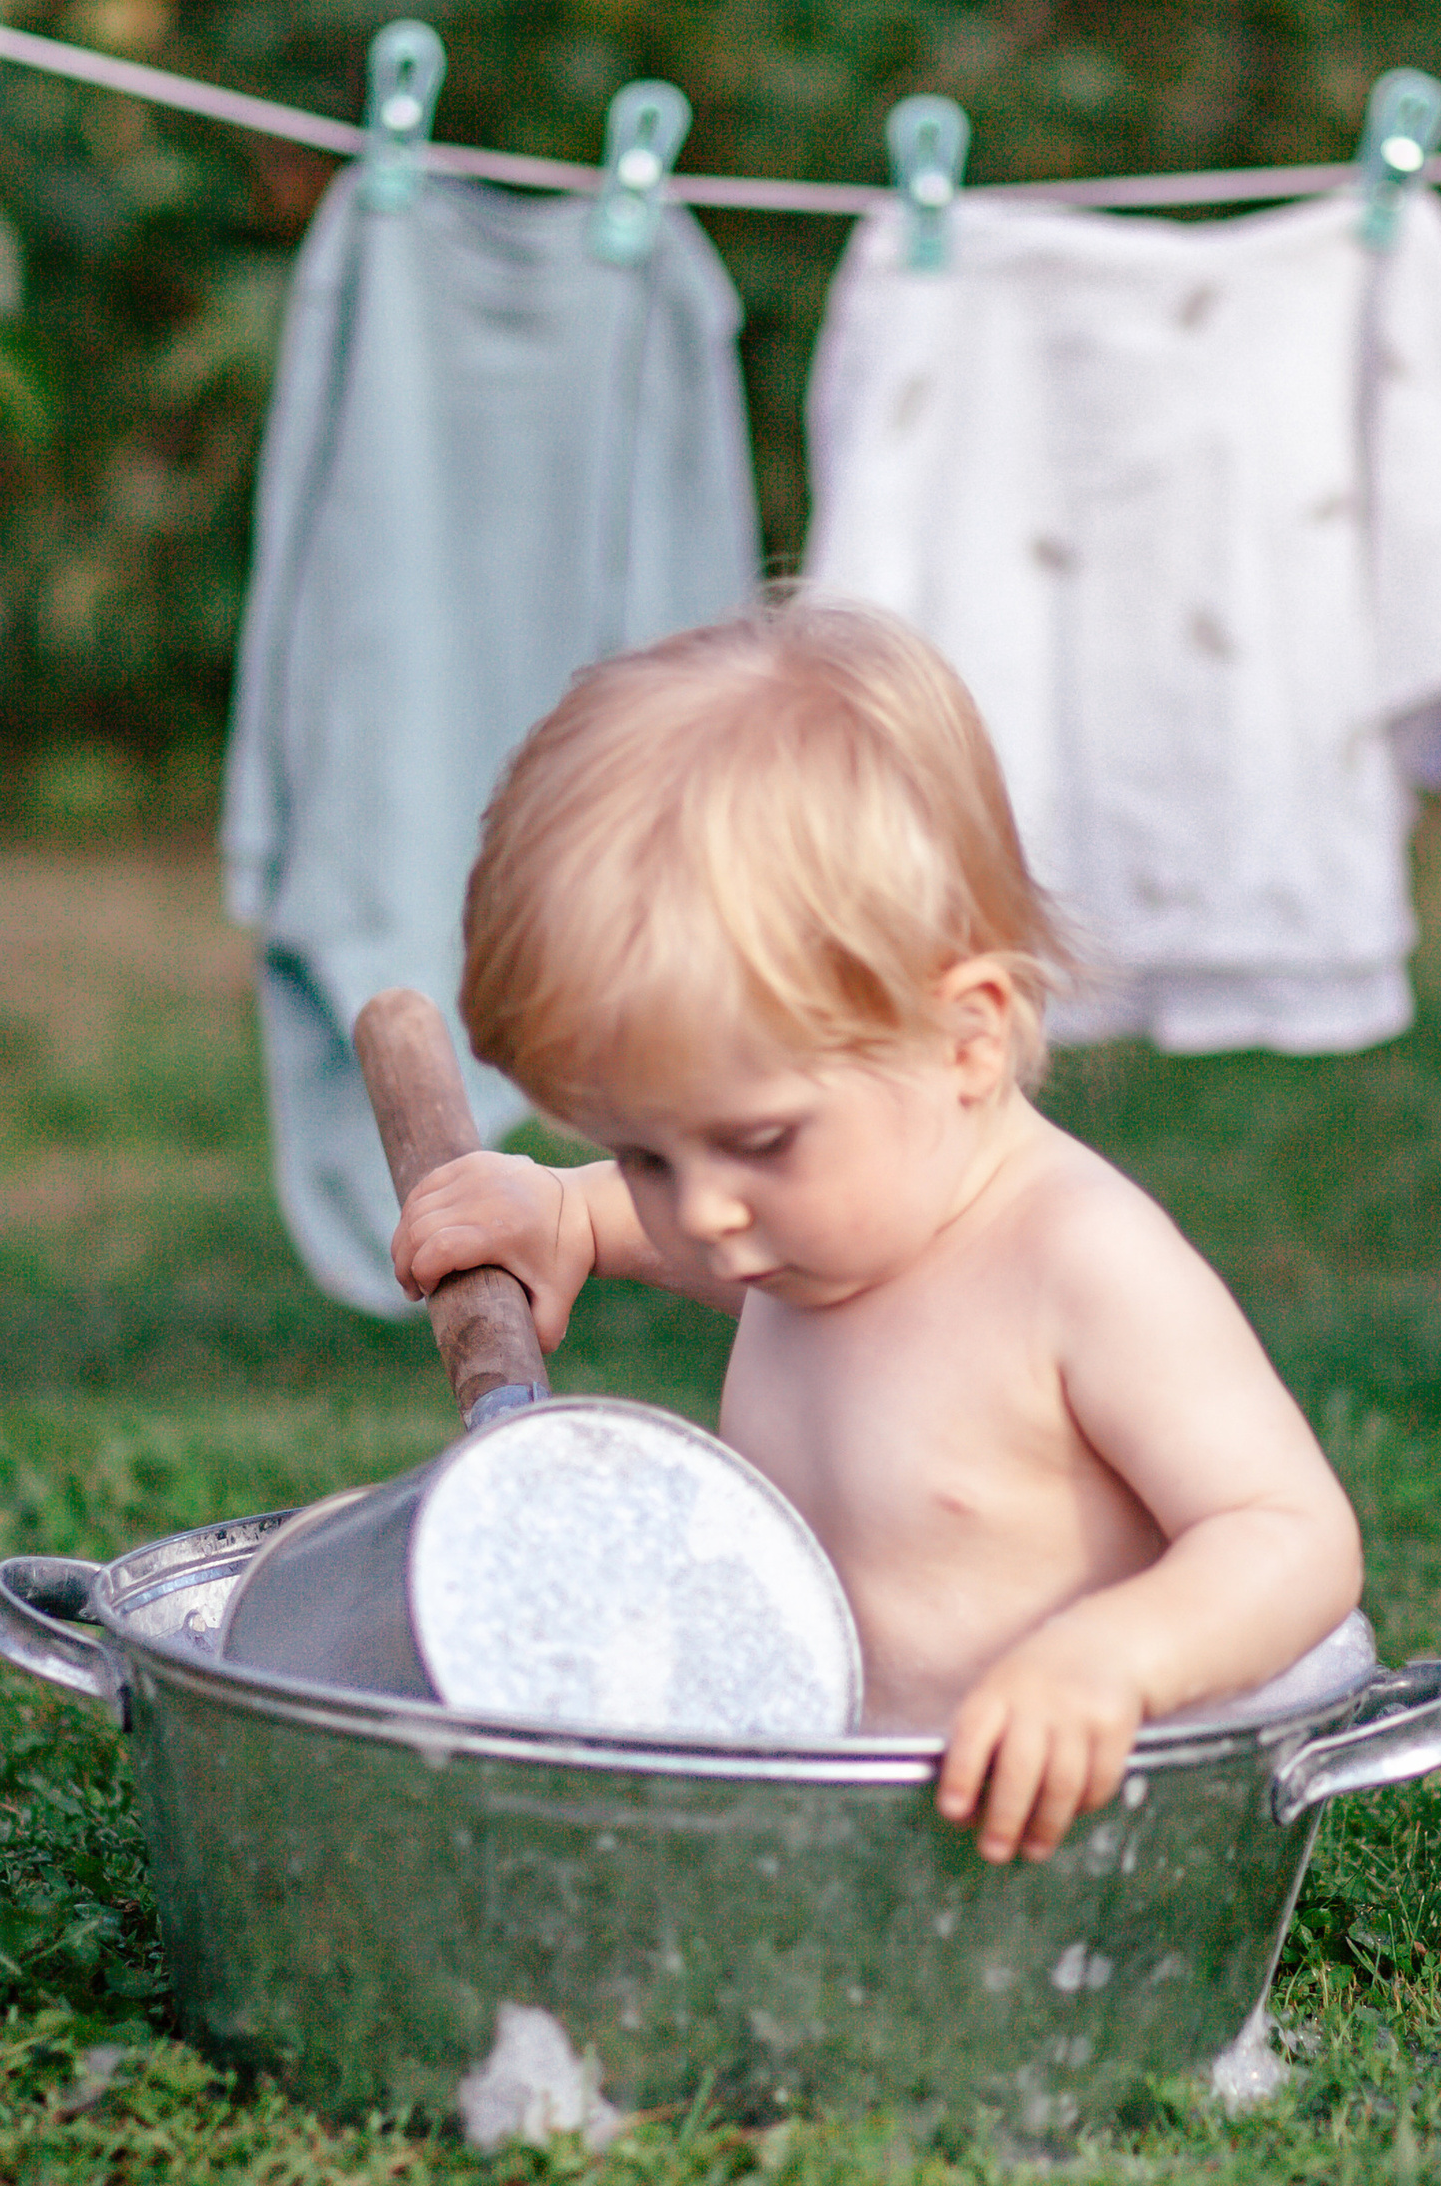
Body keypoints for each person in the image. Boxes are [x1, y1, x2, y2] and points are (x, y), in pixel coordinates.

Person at [391, 604, 1364, 1864]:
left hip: (1045, 1839)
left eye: (758, 1143)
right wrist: (570, 1210)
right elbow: (703, 1228)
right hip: (816, 1805)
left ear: (964, 1038)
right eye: (645, 1153)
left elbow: (1292, 1538)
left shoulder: (1076, 1264)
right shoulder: (814, 1229)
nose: (703, 1214)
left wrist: (1110, 1661)